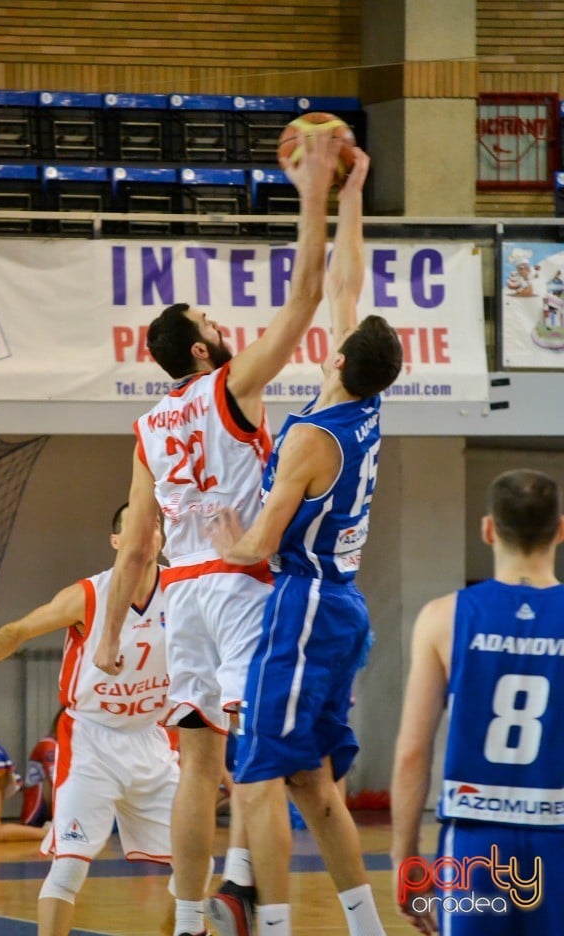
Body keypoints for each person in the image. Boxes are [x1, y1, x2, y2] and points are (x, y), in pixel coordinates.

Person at [93, 128, 344, 936]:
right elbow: (305, 298)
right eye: (211, 317)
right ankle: (267, 923)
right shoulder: (230, 388)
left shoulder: (146, 423)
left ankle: (191, 919)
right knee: (261, 764)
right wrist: (313, 192)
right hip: (240, 585)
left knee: (197, 766)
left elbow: (138, 544)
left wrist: (108, 634)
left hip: (177, 597)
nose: (222, 323)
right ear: (203, 348)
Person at [206, 147, 402, 936]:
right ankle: (367, 927)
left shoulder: (312, 440)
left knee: (255, 779)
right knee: (316, 786)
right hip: (339, 606)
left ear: (338, 357)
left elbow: (260, 545)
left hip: (306, 603)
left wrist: (230, 536)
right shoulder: (363, 407)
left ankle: (273, 926)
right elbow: (345, 281)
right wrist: (352, 193)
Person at [0, 505, 183, 936]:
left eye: (156, 527)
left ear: (163, 538)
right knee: (69, 867)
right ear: (116, 541)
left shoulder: (183, 590)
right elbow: (19, 630)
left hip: (150, 738)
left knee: (194, 860)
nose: (148, 534)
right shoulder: (89, 595)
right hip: (91, 739)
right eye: (136, 528)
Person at [390, 468, 564, 936]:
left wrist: (405, 856)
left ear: (487, 529)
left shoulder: (443, 617)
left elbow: (412, 754)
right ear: (560, 530)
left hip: (475, 843)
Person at [20, 708, 62, 827]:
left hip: (45, 807)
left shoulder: (62, 745)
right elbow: (56, 779)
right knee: (62, 781)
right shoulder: (49, 744)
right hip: (35, 809)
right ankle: (59, 821)